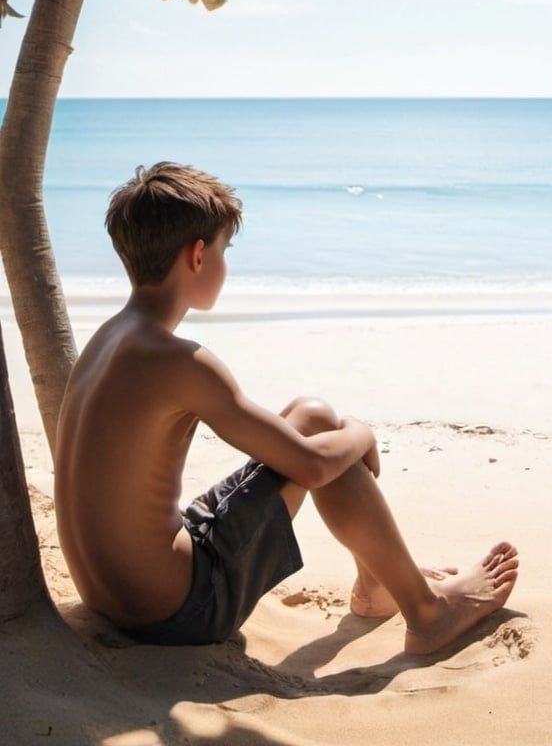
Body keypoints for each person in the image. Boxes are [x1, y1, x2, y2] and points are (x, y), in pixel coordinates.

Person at [54, 162, 518, 654]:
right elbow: (312, 467)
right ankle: (427, 612)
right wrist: (361, 433)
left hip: (114, 598)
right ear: (197, 256)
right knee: (329, 442)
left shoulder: (107, 340)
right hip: (182, 611)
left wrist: (336, 437)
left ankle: (378, 586)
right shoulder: (181, 362)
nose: (225, 264)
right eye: (223, 250)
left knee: (312, 415)